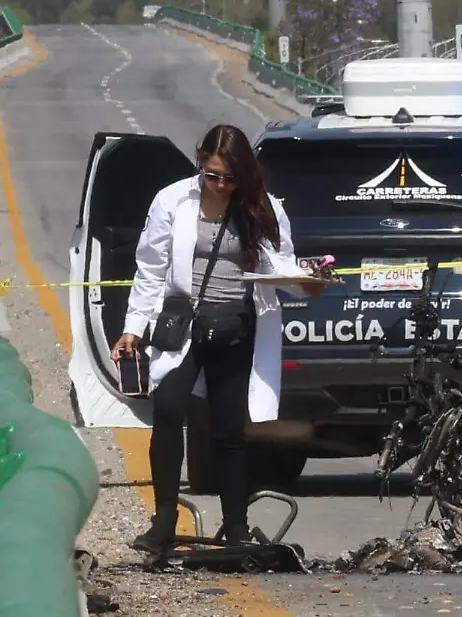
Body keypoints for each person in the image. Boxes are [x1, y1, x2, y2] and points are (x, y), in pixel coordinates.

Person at [110, 124, 324, 557]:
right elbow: (150, 268)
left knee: (228, 431)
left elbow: (279, 269)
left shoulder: (261, 207)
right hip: (182, 328)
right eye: (213, 175)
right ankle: (164, 520)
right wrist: (133, 327)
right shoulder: (172, 201)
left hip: (236, 328)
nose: (221, 185)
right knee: (168, 410)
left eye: (230, 178)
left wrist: (309, 283)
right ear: (200, 162)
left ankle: (237, 526)